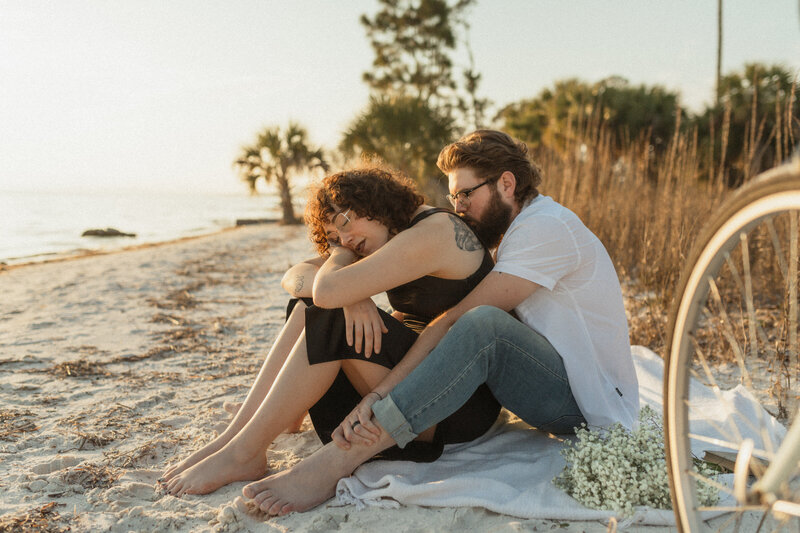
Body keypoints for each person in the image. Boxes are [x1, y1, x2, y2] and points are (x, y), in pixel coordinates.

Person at [240, 129, 639, 516]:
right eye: (453, 195)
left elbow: (454, 322)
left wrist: (379, 395)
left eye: (466, 193)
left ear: (506, 183)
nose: (458, 206)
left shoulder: (546, 228)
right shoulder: (519, 230)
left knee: (484, 325)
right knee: (325, 313)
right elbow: (312, 285)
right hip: (549, 382)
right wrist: (355, 295)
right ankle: (245, 436)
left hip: (585, 401)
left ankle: (344, 456)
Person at [159, 166, 500, 496]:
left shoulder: (432, 231)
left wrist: (343, 284)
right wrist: (353, 292)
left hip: (455, 401)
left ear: (374, 201)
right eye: (335, 237)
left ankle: (244, 452)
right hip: (413, 373)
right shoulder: (389, 235)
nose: (346, 239)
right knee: (306, 309)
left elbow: (327, 291)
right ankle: (235, 438)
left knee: (327, 315)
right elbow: (294, 278)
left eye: (345, 221)